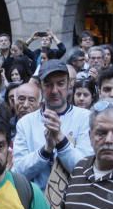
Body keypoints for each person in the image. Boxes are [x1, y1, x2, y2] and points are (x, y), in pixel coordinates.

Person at [12, 60, 93, 190]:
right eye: (48, 85)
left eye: (60, 83)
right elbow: (18, 173)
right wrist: (46, 150)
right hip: (36, 202)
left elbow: (85, 169)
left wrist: (61, 141)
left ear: (69, 84)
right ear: (41, 87)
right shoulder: (25, 123)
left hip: (75, 201)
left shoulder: (86, 118)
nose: (54, 90)